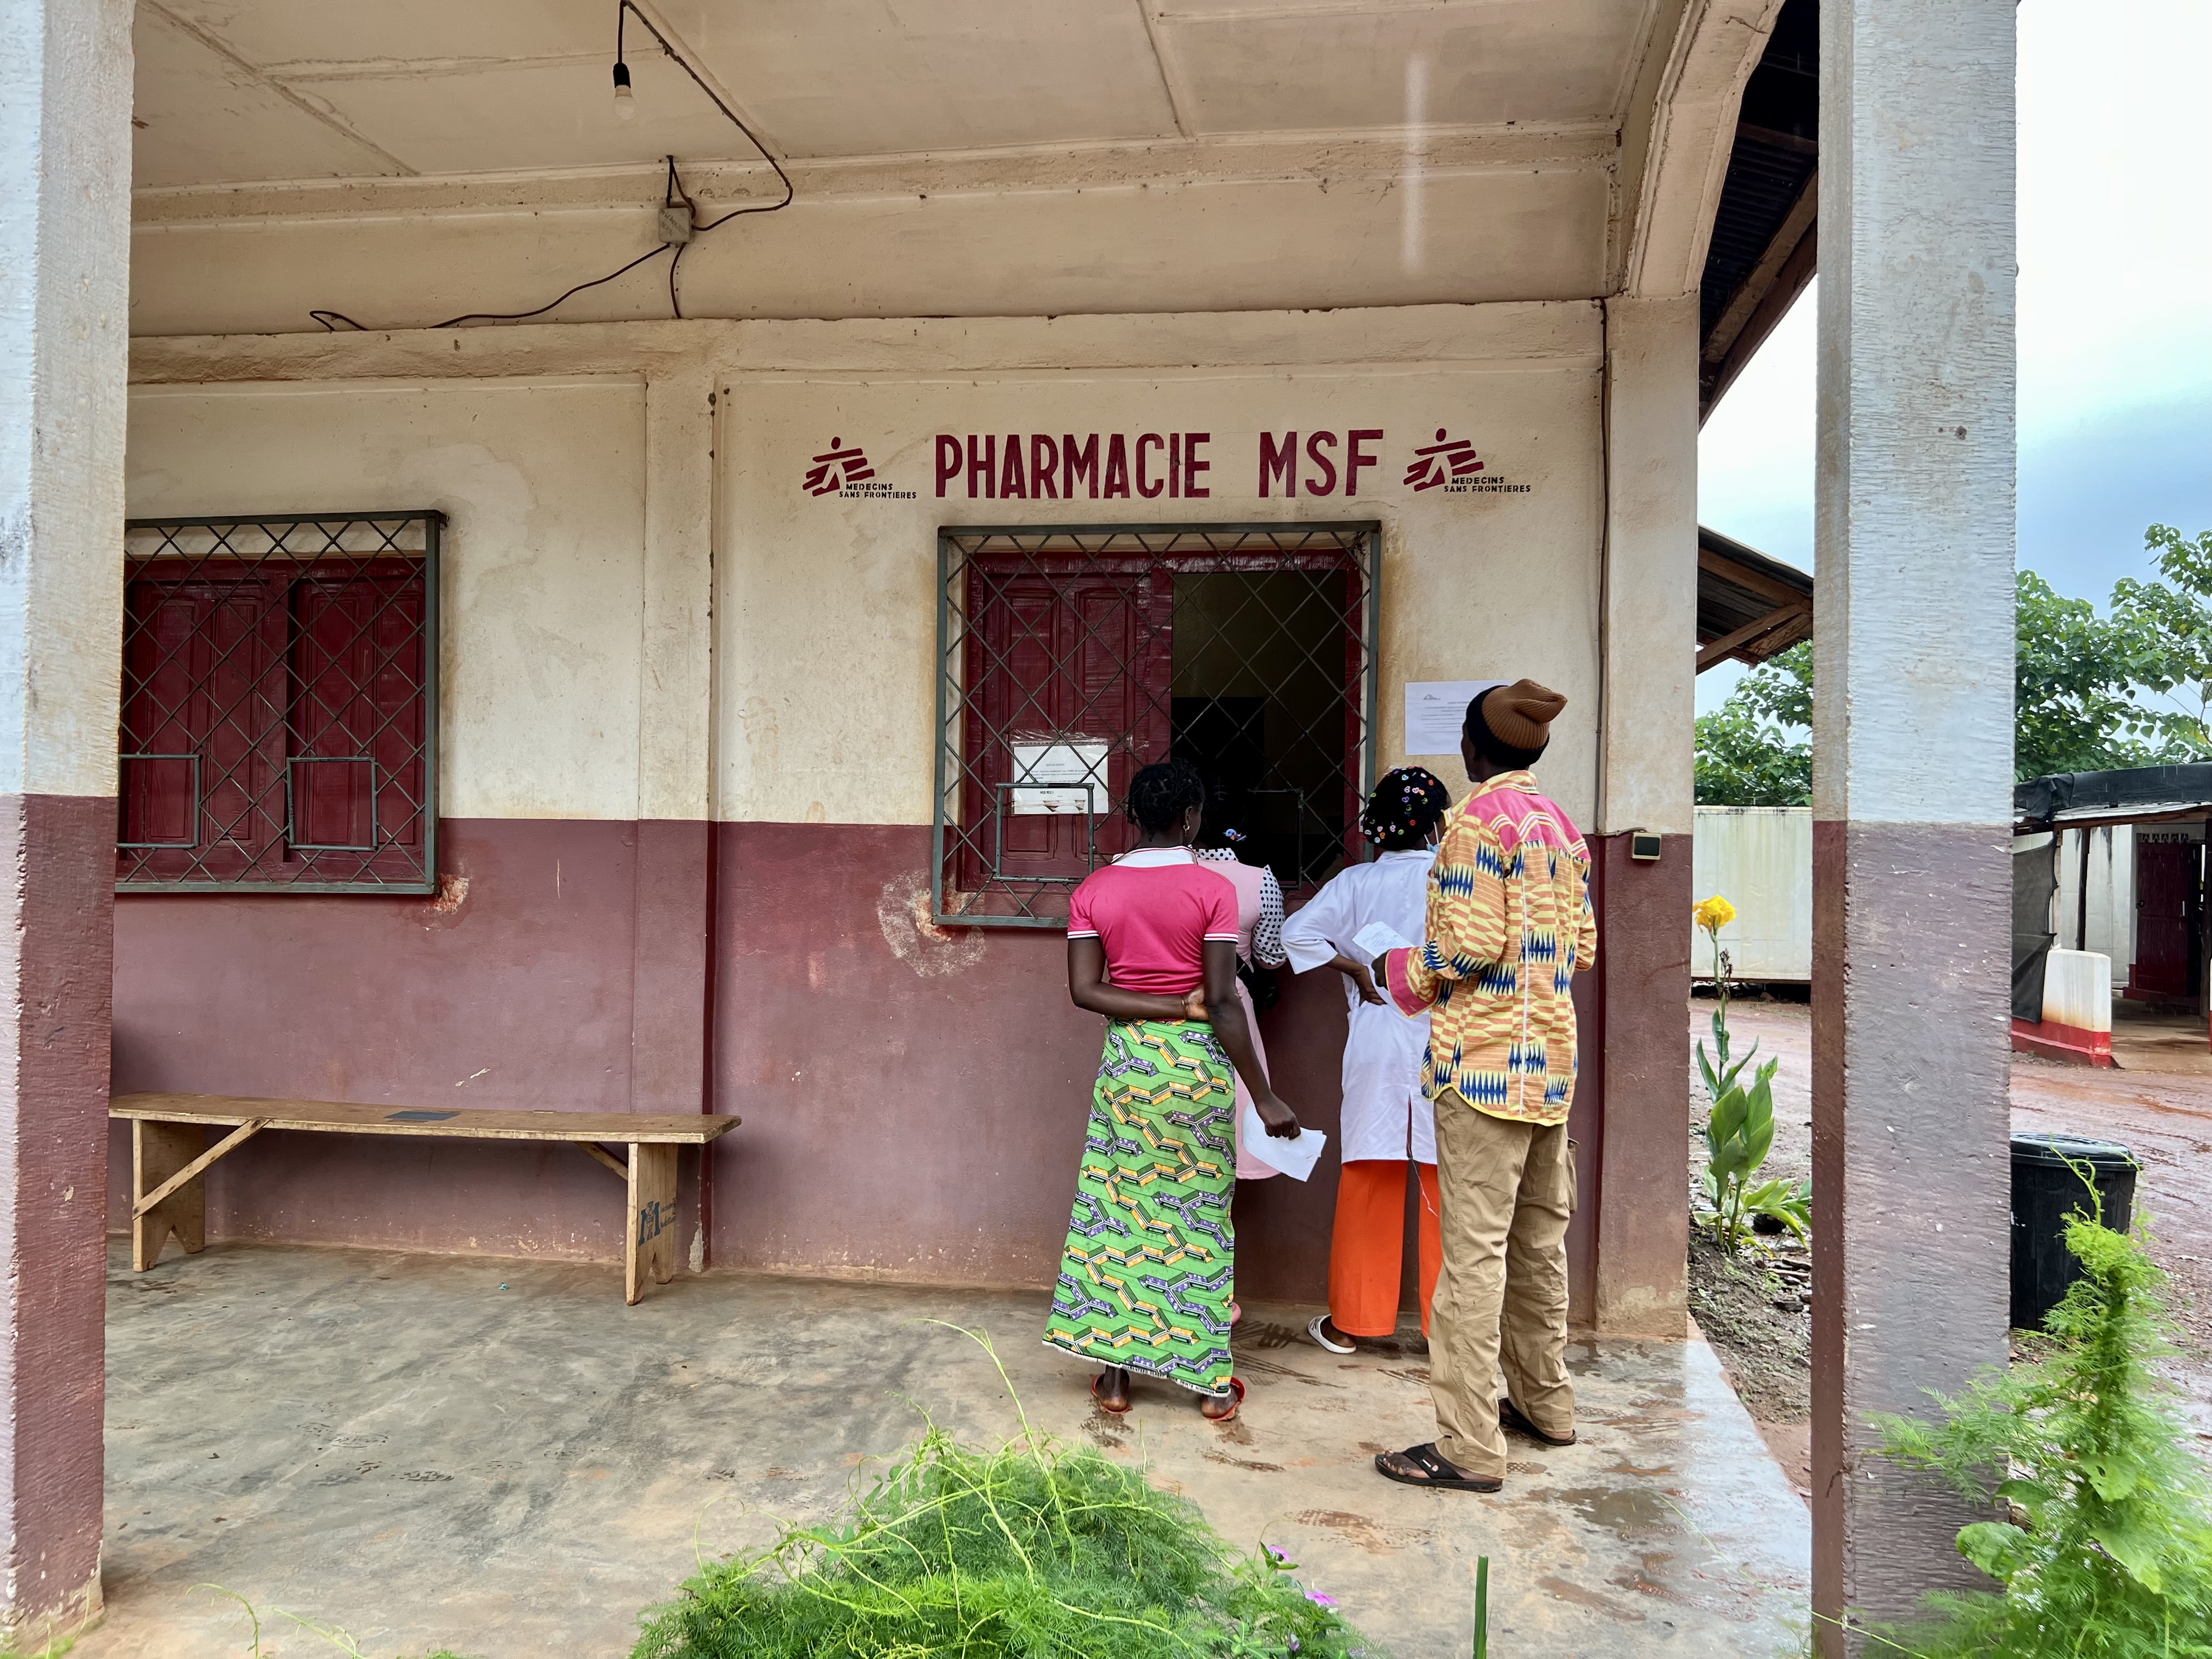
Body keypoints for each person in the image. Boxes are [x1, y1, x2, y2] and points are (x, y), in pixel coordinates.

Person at [1368, 681, 1596, 1493]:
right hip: (1551, 1069)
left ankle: (1467, 1446)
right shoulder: (1563, 829)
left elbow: (1465, 949)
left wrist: (1398, 972)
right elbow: (1585, 946)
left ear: (1474, 748)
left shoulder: (1473, 825)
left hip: (1481, 1073)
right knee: (1539, 1245)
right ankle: (1546, 1406)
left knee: (1473, 1256)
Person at [1043, 759, 1301, 1423]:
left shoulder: (1094, 889)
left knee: (1120, 1212)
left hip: (1130, 1067)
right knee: (1197, 1221)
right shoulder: (1210, 889)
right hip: (1196, 1075)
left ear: (1134, 816)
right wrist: (1264, 1094)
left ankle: (1116, 1379)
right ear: (1191, 818)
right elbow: (1219, 1002)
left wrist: (1153, 1010)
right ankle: (1209, 1383)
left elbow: (1084, 990)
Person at [1279, 766, 1454, 1354]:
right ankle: (1447, 1331)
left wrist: (1354, 967)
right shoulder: (1453, 879)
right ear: (1438, 823)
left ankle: (1353, 1321)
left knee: (1370, 1170)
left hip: (1378, 1034)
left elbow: (1296, 935)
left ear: (1377, 827)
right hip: (1445, 1036)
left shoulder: (1354, 884)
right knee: (1445, 1178)